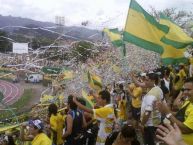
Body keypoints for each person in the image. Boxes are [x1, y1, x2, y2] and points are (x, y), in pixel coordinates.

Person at [156, 77, 193, 145]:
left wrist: (167, 113)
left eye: (188, 90)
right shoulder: (189, 101)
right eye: (184, 90)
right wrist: (164, 111)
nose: (185, 92)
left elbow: (186, 129)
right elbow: (178, 113)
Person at [140, 72, 164, 145]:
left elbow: (147, 112)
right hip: (156, 122)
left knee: (149, 142)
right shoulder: (157, 89)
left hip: (150, 124)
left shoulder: (152, 94)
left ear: (153, 81)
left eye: (147, 80)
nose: (145, 82)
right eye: (145, 80)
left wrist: (142, 124)